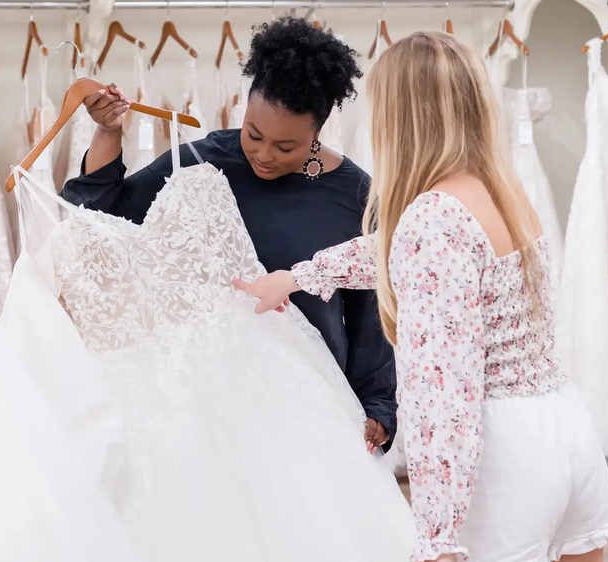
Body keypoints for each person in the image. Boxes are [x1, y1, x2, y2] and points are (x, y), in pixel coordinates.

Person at [233, 32, 608, 562]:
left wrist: (436, 540)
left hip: (502, 456)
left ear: (399, 118)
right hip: (565, 429)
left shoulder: (433, 217)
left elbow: (446, 392)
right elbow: (400, 250)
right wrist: (298, 277)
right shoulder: (501, 188)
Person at [61, 16, 396, 452]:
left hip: (312, 410)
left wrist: (377, 405)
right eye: (254, 135)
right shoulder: (204, 159)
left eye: (286, 147)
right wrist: (109, 132)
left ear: (318, 130)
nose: (263, 155)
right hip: (210, 409)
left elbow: (371, 312)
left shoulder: (357, 195)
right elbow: (103, 217)